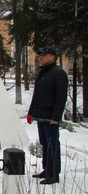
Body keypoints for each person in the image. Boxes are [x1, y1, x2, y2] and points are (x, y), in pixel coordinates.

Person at [27, 46, 68, 185]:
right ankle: (47, 169)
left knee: (52, 144)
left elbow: (61, 98)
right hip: (41, 116)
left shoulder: (59, 73)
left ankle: (53, 173)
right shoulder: (43, 73)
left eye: (43, 55)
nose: (41, 57)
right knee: (45, 143)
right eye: (40, 55)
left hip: (51, 117)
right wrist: (31, 112)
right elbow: (36, 95)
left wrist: (56, 117)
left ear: (52, 57)